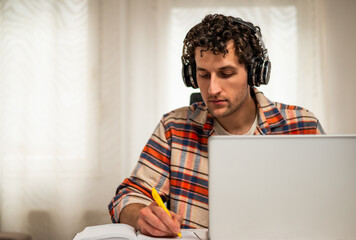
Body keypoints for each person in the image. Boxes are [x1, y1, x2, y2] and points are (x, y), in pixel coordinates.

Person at [108, 14, 325, 237]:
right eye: (203, 75)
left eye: (226, 73)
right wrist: (141, 215)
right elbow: (128, 196)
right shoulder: (174, 127)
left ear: (253, 73)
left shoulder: (302, 126)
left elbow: (332, 202)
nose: (212, 89)